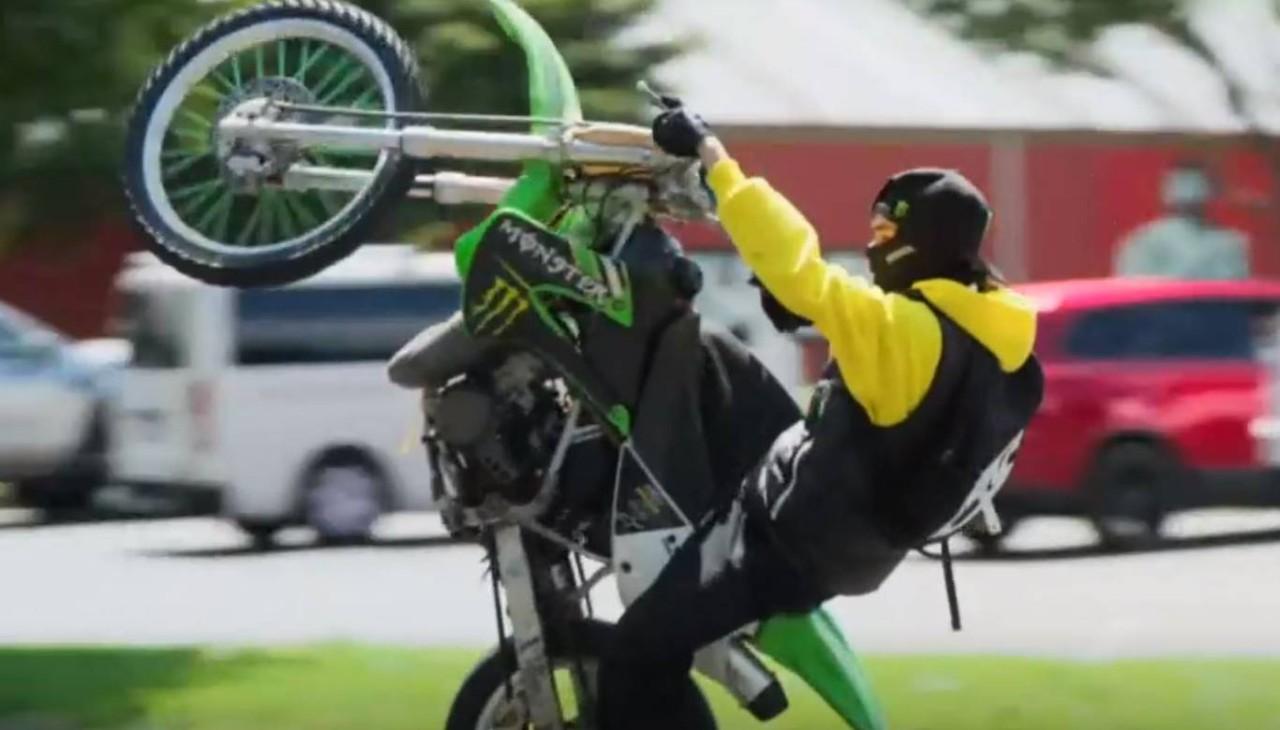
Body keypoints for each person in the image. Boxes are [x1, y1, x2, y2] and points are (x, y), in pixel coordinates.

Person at [594, 103, 1044, 729]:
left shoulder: (902, 326)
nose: (870, 242)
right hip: (851, 519)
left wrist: (712, 156)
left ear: (927, 243)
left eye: (886, 233)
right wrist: (806, 307)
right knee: (709, 350)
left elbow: (798, 266)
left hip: (790, 547)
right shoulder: (988, 329)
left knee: (636, 654)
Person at [1113, 161, 1250, 279]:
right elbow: (1134, 292)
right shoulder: (1144, 241)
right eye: (1183, 184)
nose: (1190, 193)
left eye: (1197, 185)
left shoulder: (1229, 243)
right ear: (1166, 189)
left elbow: (1236, 290)